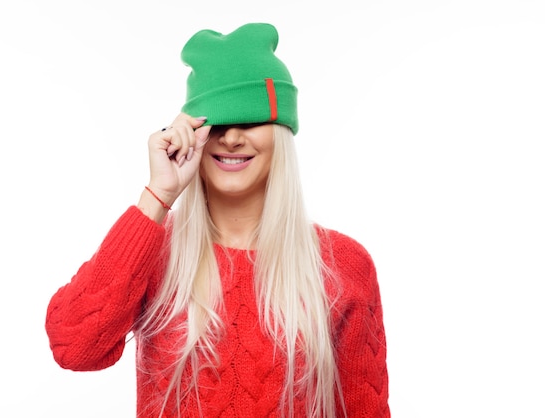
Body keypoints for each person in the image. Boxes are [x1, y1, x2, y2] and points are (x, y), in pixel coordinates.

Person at [45, 22, 390, 418]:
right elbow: (74, 347)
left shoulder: (342, 265)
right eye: (218, 124)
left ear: (281, 132)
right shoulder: (154, 252)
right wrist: (158, 196)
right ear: (192, 133)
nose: (231, 138)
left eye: (249, 120)